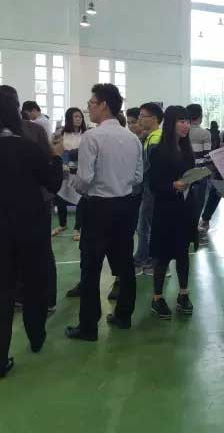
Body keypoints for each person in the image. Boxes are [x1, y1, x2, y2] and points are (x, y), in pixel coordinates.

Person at [65, 84, 143, 341]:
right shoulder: (132, 138)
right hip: (125, 206)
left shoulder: (92, 137)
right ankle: (123, 316)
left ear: (104, 105)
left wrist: (75, 185)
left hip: (98, 207)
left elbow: (84, 179)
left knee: (91, 267)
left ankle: (88, 327)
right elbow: (137, 177)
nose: (88, 107)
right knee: (125, 264)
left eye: (91, 103)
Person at [1, 89, 63, 377]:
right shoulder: (27, 147)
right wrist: (56, 158)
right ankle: (36, 337)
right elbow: (52, 184)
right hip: (30, 225)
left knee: (3, 289)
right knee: (33, 282)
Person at [148, 106, 196, 319]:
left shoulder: (186, 150)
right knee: (163, 255)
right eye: (181, 121)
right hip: (166, 210)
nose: (186, 125)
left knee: (183, 253)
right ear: (170, 123)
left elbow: (190, 175)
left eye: (187, 121)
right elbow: (154, 184)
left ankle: (183, 293)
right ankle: (157, 297)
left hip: (185, 209)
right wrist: (172, 186)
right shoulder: (159, 151)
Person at [133, 103, 163, 275]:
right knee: (145, 225)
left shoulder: (155, 139)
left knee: (146, 226)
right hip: (149, 189)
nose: (139, 120)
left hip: (151, 190)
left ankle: (149, 260)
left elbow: (150, 169)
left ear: (154, 118)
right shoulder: (151, 137)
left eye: (142, 116)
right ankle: (144, 257)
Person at [52, 108, 87, 240]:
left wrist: (72, 154)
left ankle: (77, 228)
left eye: (80, 117)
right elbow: (56, 150)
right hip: (63, 171)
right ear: (69, 118)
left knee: (80, 200)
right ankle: (62, 224)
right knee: (60, 198)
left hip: (79, 172)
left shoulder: (86, 135)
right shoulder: (62, 134)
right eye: (75, 117)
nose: (78, 119)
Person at [187, 104, 212, 242]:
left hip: (185, 173)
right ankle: (193, 229)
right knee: (198, 203)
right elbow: (207, 156)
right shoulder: (204, 133)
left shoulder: (182, 131)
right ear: (200, 117)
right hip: (200, 173)